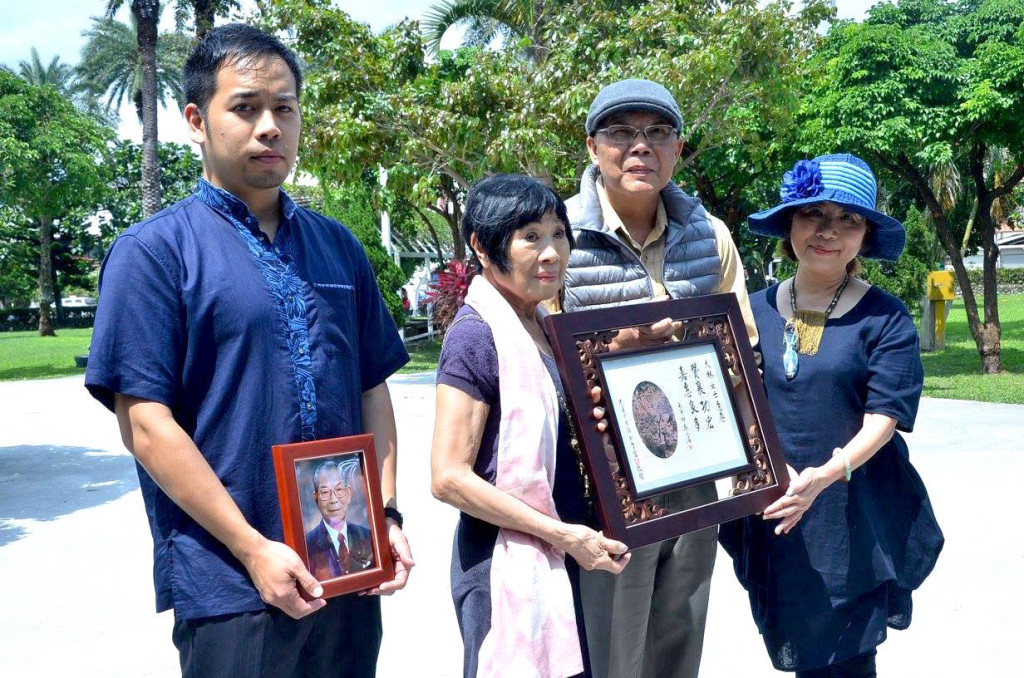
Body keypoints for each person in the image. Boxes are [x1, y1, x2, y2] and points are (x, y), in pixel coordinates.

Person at [84, 24, 413, 678]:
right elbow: (147, 426)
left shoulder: (338, 247)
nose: (270, 126)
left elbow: (372, 387)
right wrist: (254, 549)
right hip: (232, 585)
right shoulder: (155, 253)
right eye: (245, 107)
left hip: (344, 571)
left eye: (285, 108)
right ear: (195, 120)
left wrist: (385, 513)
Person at [553, 78, 759, 678]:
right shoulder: (558, 237)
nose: (639, 146)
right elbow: (541, 361)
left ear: (678, 148)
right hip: (606, 483)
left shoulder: (709, 234)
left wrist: (753, 460)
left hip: (696, 471)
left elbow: (740, 353)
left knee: (680, 633)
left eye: (657, 132)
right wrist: (609, 353)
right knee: (615, 645)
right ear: (593, 147)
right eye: (620, 132)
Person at [720, 154, 944, 676]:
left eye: (849, 219)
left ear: (865, 236)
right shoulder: (750, 311)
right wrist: (768, 473)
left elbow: (884, 420)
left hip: (850, 509)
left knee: (846, 659)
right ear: (789, 226)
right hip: (776, 507)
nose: (829, 232)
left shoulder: (885, 317)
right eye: (813, 215)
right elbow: (735, 403)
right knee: (799, 647)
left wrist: (823, 477)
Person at [430, 174, 631, 678]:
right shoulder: (475, 335)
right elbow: (448, 477)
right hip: (505, 568)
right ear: (482, 245)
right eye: (530, 237)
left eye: (558, 234)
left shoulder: (544, 324)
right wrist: (561, 535)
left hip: (560, 556)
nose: (551, 253)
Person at [305, 460, 374, 580]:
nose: (334, 499)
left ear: (348, 493)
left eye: (339, 490)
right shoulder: (306, 546)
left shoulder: (369, 537)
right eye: (325, 492)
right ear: (316, 499)